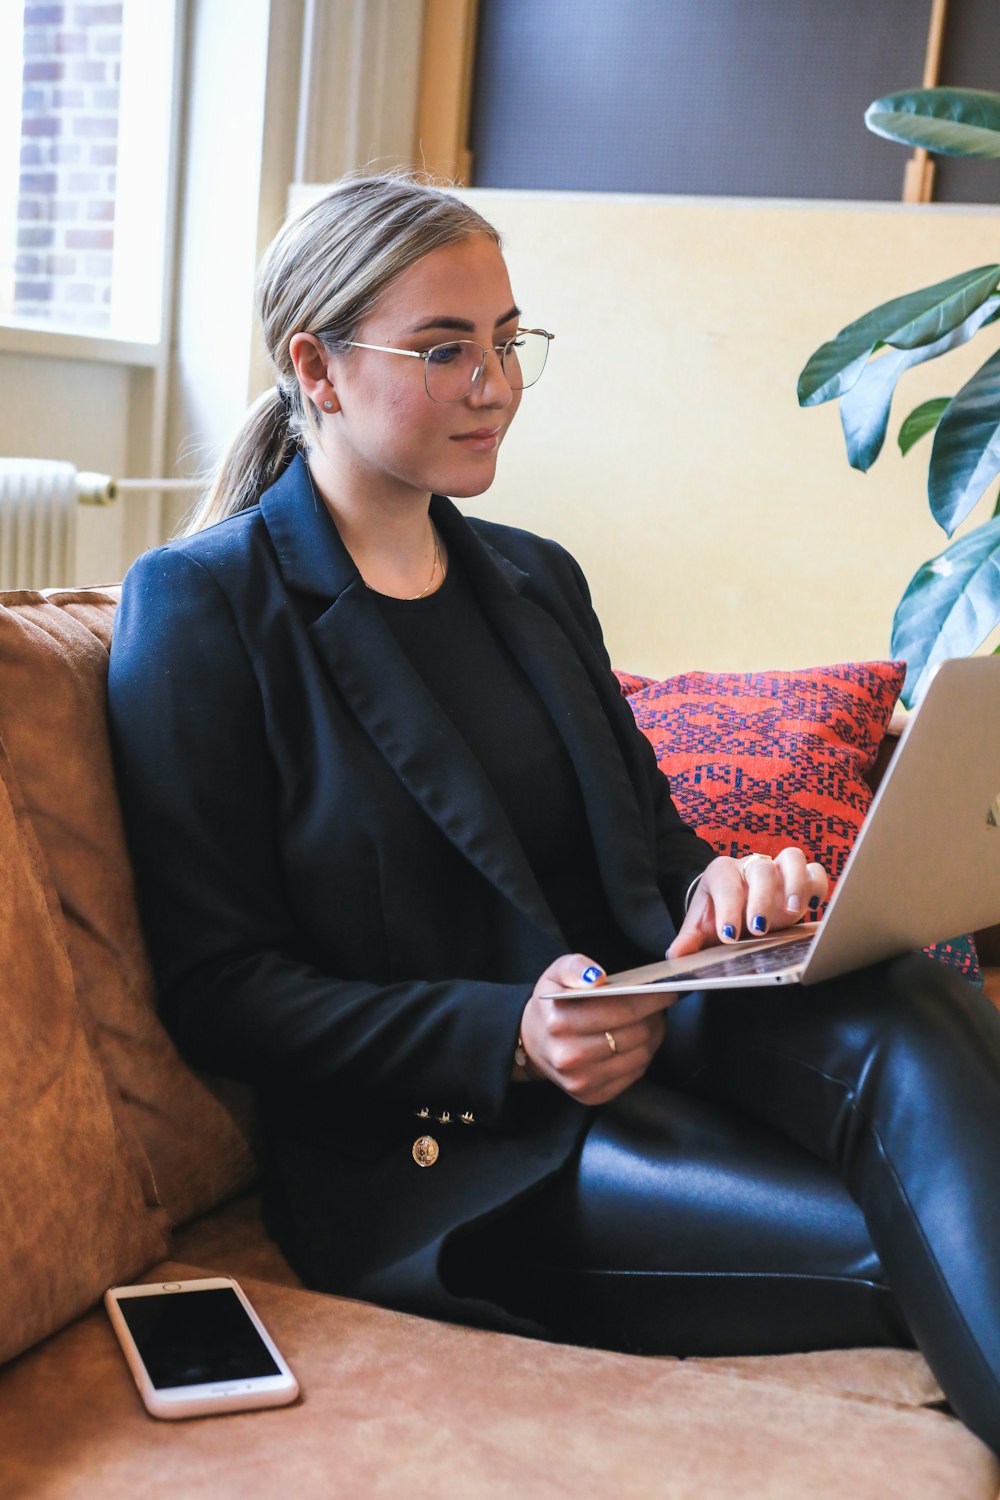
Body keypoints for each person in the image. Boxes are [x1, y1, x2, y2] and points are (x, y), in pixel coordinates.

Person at [108, 173, 1000, 1453]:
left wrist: (721, 888)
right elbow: (218, 985)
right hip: (462, 1152)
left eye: (507, 340)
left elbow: (654, 848)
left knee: (910, 1000)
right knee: (915, 1239)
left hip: (665, 1036)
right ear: (315, 365)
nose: (495, 384)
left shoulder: (533, 580)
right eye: (443, 349)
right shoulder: (204, 610)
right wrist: (511, 1038)